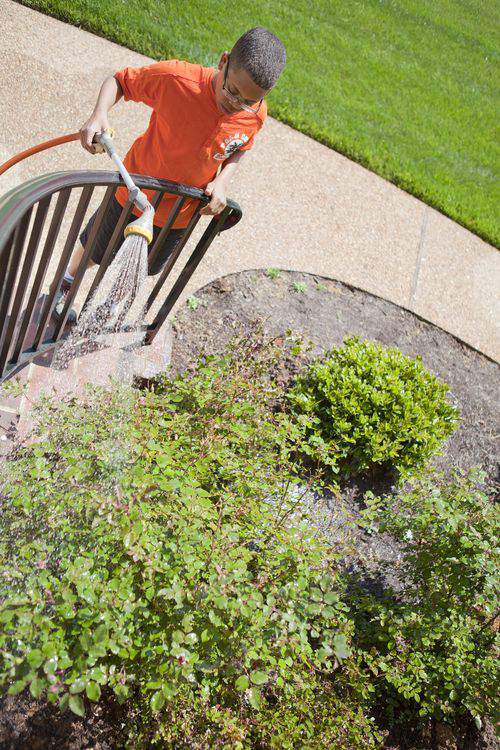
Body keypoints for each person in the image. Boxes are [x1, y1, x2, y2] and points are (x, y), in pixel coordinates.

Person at [53, 26, 286, 323]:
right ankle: (66, 283)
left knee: (142, 267)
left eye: (248, 101)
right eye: (232, 91)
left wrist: (222, 182)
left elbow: (240, 147)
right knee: (96, 248)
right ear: (223, 62)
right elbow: (120, 81)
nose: (235, 104)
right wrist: (99, 113)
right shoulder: (177, 79)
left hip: (179, 213)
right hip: (134, 193)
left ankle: (110, 307)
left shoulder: (255, 113)